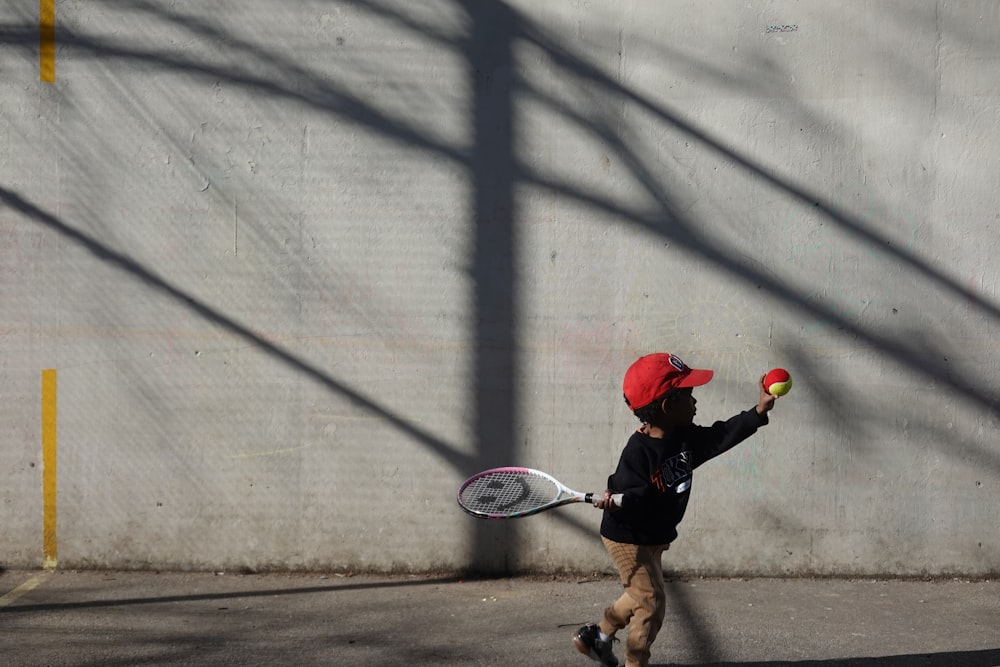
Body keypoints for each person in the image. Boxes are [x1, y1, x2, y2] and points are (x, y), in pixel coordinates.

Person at [572, 352, 778, 667]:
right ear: (668, 406)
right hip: (628, 537)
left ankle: (597, 637)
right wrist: (612, 500)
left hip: (653, 534)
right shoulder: (638, 452)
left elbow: (721, 436)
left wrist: (758, 411)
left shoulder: (684, 438)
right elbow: (627, 493)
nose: (695, 401)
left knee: (643, 591)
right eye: (688, 395)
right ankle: (635, 662)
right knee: (652, 603)